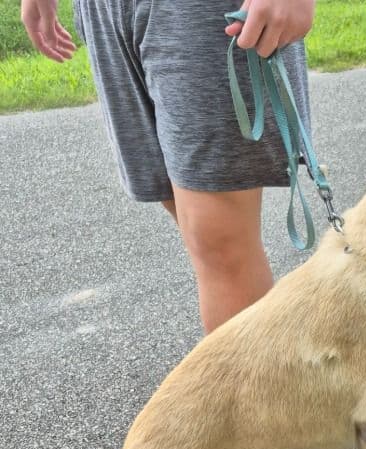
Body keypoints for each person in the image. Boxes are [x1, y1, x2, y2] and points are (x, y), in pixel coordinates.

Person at [20, 0, 316, 334]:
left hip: (196, 12)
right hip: (105, 9)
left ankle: (249, 385)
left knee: (219, 241)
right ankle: (276, 372)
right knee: (196, 227)